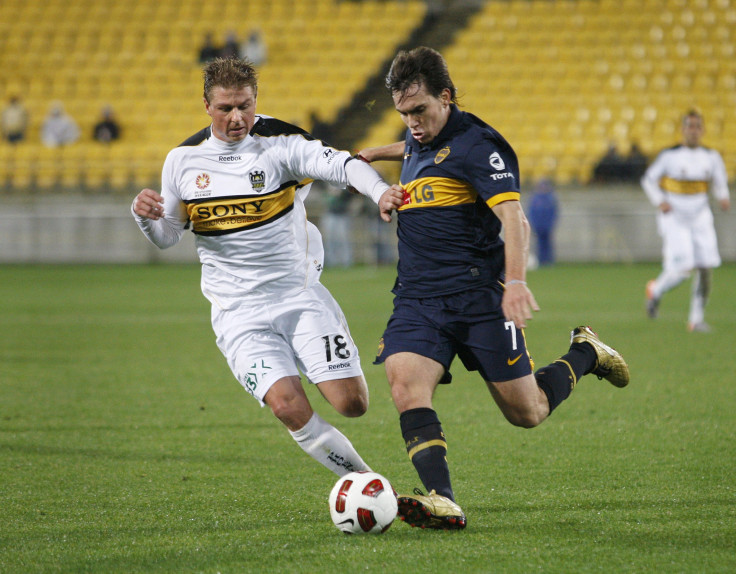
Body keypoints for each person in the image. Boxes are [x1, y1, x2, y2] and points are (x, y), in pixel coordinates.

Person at [357, 47, 629, 530]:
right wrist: (378, 154)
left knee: (527, 412)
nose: (412, 123)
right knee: (405, 385)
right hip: (418, 299)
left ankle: (585, 352)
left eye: (419, 111)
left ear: (446, 96)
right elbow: (417, 147)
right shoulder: (422, 132)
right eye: (403, 114)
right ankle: (443, 500)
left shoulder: (482, 147)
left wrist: (517, 282)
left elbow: (513, 217)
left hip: (478, 296)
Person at [132, 58, 404, 480]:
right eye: (225, 108)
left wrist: (381, 191)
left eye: (245, 105)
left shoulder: (281, 142)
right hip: (237, 311)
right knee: (287, 407)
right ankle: (368, 484)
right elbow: (169, 235)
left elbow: (343, 164)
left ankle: (307, 352)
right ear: (206, 105)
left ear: (256, 100)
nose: (237, 117)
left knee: (353, 404)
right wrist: (146, 219)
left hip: (296, 294)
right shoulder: (182, 161)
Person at [641, 109, 731, 332]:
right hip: (675, 217)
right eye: (689, 126)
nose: (693, 131)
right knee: (683, 269)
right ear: (683, 130)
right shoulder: (669, 156)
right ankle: (656, 290)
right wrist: (659, 200)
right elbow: (648, 180)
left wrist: (723, 197)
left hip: (700, 216)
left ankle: (696, 320)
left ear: (702, 130)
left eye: (697, 126)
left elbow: (720, 182)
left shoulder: (711, 156)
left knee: (705, 268)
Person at [527, 178, 559, 266]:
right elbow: (531, 212)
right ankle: (541, 260)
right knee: (539, 244)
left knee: (548, 244)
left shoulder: (551, 198)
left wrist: (551, 223)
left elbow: (554, 213)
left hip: (547, 225)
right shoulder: (535, 198)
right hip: (538, 225)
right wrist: (533, 224)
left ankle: (549, 261)